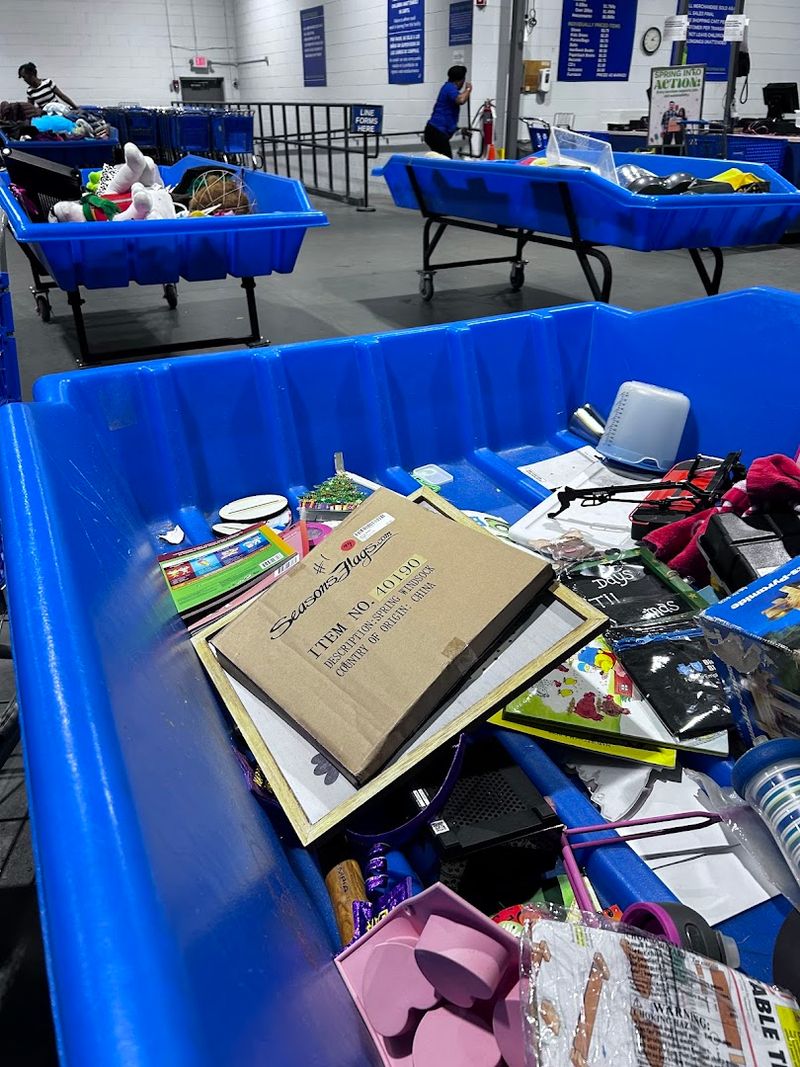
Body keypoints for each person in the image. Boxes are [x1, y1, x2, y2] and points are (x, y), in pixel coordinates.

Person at [424, 65, 472, 158]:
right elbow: (461, 100)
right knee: (446, 162)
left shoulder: (447, 87)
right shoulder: (450, 88)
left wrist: (459, 129)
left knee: (441, 162)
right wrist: (468, 89)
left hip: (434, 131)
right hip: (436, 133)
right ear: (461, 80)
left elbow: (447, 115)